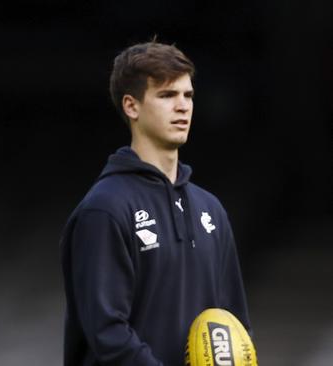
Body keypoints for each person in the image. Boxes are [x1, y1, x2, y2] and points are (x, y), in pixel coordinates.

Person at [60, 40, 251, 365]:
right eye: (166, 95)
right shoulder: (104, 209)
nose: (183, 106)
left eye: (188, 95)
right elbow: (108, 333)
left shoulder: (211, 210)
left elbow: (234, 323)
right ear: (131, 106)